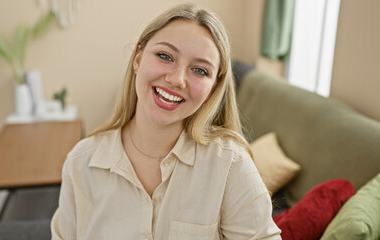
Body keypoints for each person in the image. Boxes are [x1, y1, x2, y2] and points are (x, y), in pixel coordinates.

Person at [51, 3, 281, 240]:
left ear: (213, 89)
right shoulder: (81, 163)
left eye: (200, 70)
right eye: (165, 56)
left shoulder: (230, 164)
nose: (177, 79)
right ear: (138, 59)